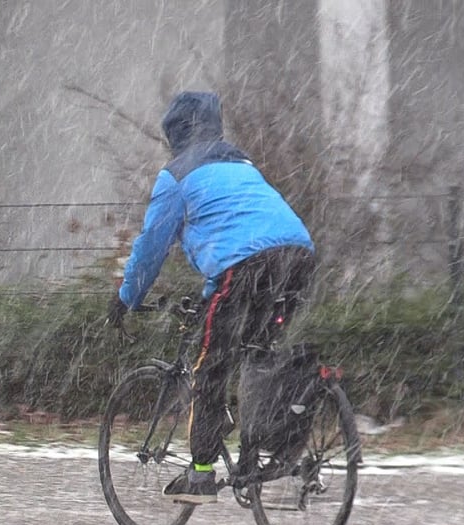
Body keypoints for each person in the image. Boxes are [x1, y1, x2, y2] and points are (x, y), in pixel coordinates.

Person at [107, 91, 316, 504]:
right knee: (260, 354)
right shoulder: (242, 164)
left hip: (245, 268)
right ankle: (280, 444)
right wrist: (211, 296)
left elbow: (152, 247)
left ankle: (201, 474)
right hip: (298, 257)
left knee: (211, 368)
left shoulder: (177, 177)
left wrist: (126, 297)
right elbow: (234, 233)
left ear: (174, 134)